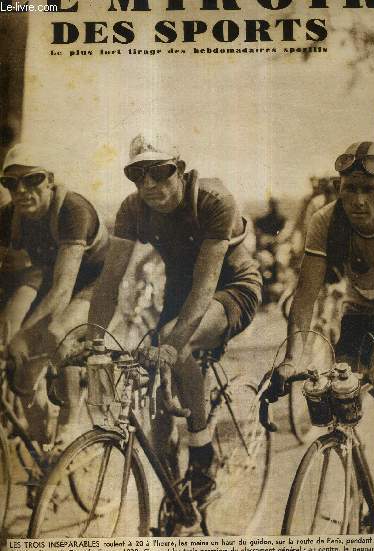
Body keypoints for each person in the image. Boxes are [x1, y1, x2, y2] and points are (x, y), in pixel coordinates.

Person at [89, 134, 262, 501]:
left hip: (231, 287)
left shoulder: (213, 200)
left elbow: (205, 286)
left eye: (159, 172)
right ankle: (172, 487)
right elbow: (109, 281)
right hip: (181, 292)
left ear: (180, 170)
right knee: (151, 375)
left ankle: (202, 452)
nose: (149, 184)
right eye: (137, 175)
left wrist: (171, 344)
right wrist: (94, 341)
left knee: (173, 342)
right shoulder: (133, 209)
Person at [266, 141, 374, 483]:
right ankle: (357, 475)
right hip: (359, 309)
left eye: (370, 189)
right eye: (349, 189)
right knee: (340, 395)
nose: (358, 201)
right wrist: (291, 358)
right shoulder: (326, 220)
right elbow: (306, 294)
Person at [0, 143, 109, 449]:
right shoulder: (9, 216)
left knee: (55, 332)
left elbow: (62, 291)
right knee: (22, 373)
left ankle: (72, 418)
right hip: (55, 282)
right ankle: (42, 454)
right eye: (10, 183)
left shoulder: (73, 210)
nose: (20, 190)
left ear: (49, 180)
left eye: (32, 180)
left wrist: (22, 334)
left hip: (95, 282)